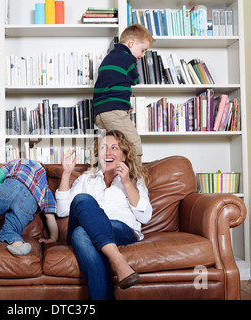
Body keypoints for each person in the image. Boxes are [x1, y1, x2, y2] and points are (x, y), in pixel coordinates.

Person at [56, 130, 153, 300]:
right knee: (82, 199)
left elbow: (145, 217)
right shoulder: (86, 179)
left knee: (81, 234)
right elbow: (62, 210)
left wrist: (126, 182)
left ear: (124, 156)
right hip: (92, 226)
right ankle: (119, 261)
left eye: (114, 148)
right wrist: (66, 173)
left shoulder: (134, 180)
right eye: (103, 148)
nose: (107, 152)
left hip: (120, 229)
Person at [0, 159, 59, 255]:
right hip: (30, 203)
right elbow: (49, 216)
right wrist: (53, 238)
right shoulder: (45, 188)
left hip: (13, 185)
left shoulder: (22, 161)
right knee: (10, 230)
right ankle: (20, 245)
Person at [93, 24, 154, 161]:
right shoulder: (129, 58)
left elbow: (110, 86)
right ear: (131, 43)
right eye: (142, 50)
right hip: (115, 111)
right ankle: (136, 180)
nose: (142, 55)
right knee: (134, 144)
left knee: (113, 148)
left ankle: (111, 177)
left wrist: (124, 105)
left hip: (100, 113)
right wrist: (119, 107)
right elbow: (134, 79)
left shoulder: (108, 57)